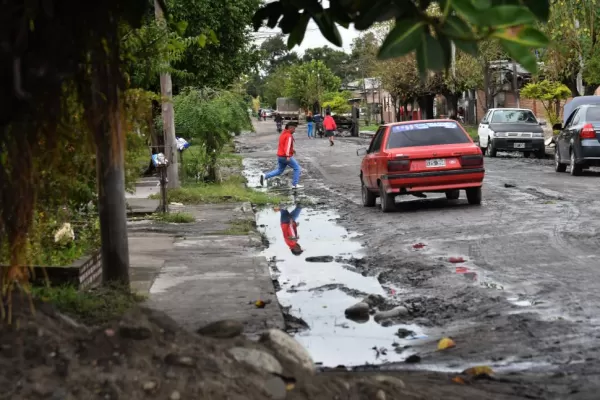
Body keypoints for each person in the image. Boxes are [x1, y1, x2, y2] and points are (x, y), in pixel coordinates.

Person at [260, 122, 303, 189]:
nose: (294, 130)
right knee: (297, 168)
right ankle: (295, 184)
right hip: (285, 156)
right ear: (290, 128)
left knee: (279, 170)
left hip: (280, 156)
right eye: (294, 129)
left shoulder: (283, 133)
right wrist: (288, 155)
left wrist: (292, 150)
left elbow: (283, 145)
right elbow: (287, 146)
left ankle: (265, 176)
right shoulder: (288, 135)